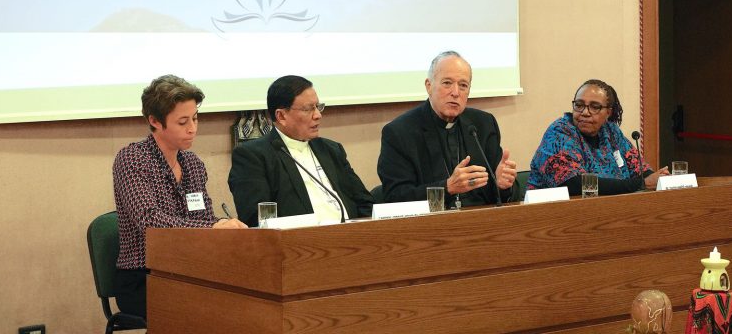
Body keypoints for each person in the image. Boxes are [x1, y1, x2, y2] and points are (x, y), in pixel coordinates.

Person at [112, 75, 246, 319]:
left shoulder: (192, 163)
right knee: (209, 310)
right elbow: (149, 221)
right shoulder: (132, 159)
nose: (192, 128)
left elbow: (204, 219)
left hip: (191, 270)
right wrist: (213, 227)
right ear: (155, 121)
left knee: (248, 298)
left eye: (195, 118)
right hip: (144, 277)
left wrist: (223, 225)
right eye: (183, 122)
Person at [377, 51, 519, 208]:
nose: (455, 93)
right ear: (429, 86)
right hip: (432, 221)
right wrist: (447, 187)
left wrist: (502, 185)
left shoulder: (483, 124)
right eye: (447, 83)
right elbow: (395, 197)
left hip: (482, 218)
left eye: (463, 85)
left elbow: (505, 195)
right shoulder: (399, 132)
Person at [228, 75, 374, 227]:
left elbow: (365, 204)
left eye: (318, 107)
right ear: (281, 115)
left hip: (350, 235)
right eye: (308, 109)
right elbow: (257, 220)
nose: (318, 115)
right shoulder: (253, 156)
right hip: (299, 239)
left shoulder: (331, 150)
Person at [527, 79, 669, 195]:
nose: (585, 112)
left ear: (608, 112)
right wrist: (641, 184)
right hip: (551, 213)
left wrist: (657, 178)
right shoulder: (559, 132)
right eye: (579, 105)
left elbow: (639, 169)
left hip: (606, 209)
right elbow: (573, 184)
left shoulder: (611, 132)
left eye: (594, 107)